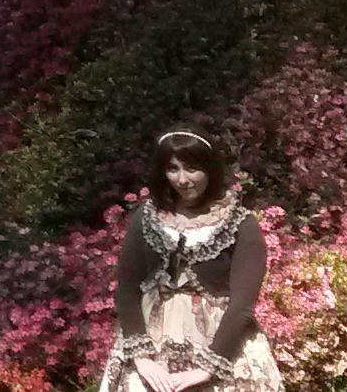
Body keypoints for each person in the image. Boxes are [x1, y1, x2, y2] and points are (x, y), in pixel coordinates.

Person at [100, 132, 279, 392]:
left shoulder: (241, 224)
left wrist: (206, 368)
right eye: (173, 169)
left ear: (209, 168)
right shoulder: (147, 217)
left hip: (221, 346)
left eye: (192, 168)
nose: (182, 180)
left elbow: (242, 305)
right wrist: (142, 358)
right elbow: (127, 291)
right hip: (150, 345)